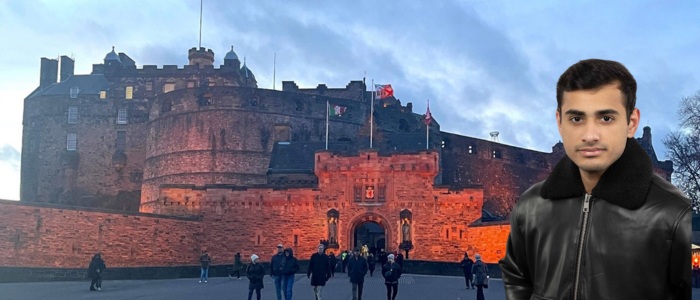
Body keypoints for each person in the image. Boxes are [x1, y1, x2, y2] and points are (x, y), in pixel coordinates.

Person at [498, 59, 691, 300]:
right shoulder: (531, 204)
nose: (590, 135)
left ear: (631, 124)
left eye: (606, 118)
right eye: (576, 119)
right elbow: (516, 275)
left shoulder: (671, 210)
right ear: (560, 122)